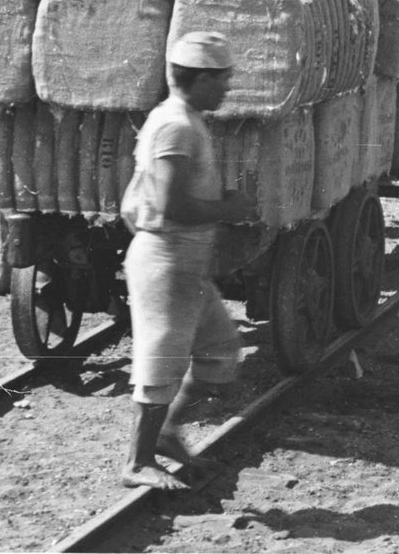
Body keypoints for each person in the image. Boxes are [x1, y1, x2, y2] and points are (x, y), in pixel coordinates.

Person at [119, 32, 259, 490]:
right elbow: (172, 205)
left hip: (184, 259)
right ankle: (137, 462)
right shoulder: (175, 126)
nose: (227, 88)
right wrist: (228, 209)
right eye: (221, 79)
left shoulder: (187, 120)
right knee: (161, 361)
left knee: (221, 351)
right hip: (167, 257)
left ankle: (165, 433)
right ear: (198, 79)